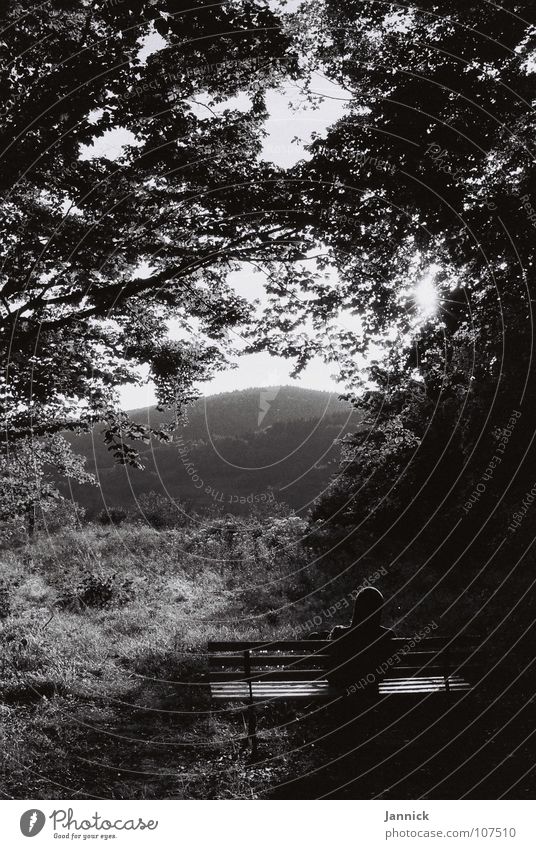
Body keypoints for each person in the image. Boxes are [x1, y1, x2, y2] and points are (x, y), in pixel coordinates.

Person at [328, 586, 394, 695]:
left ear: (357, 608)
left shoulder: (339, 633)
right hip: (371, 686)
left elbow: (331, 664)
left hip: (342, 684)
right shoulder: (387, 636)